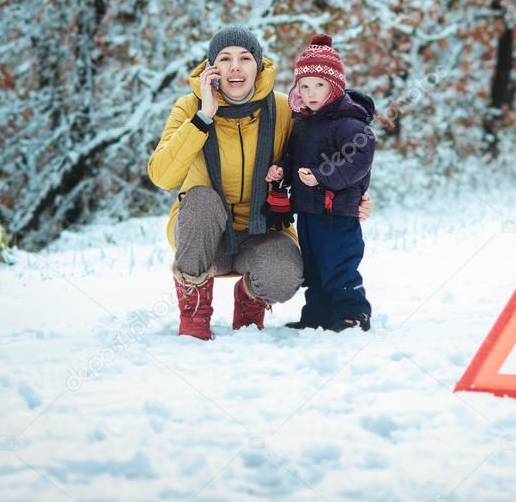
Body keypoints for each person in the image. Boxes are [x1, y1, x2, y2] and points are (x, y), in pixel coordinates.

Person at [147, 26, 372, 340]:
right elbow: (162, 175)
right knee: (200, 200)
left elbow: (321, 151)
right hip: (205, 238)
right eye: (224, 59)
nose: (235, 67)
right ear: (211, 68)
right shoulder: (189, 107)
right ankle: (194, 317)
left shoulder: (282, 108)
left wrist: (352, 195)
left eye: (245, 58)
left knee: (285, 274)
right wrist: (204, 117)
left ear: (258, 65)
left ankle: (250, 300)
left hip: (263, 230)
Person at [266, 34, 375, 332]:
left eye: (319, 85)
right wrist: (281, 171)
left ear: (335, 86)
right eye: (304, 86)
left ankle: (353, 312)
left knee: (339, 263)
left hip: (337, 211)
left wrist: (322, 175)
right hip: (309, 211)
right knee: (313, 266)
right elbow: (294, 158)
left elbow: (357, 160)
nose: (311, 93)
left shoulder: (350, 123)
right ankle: (317, 313)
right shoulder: (304, 123)